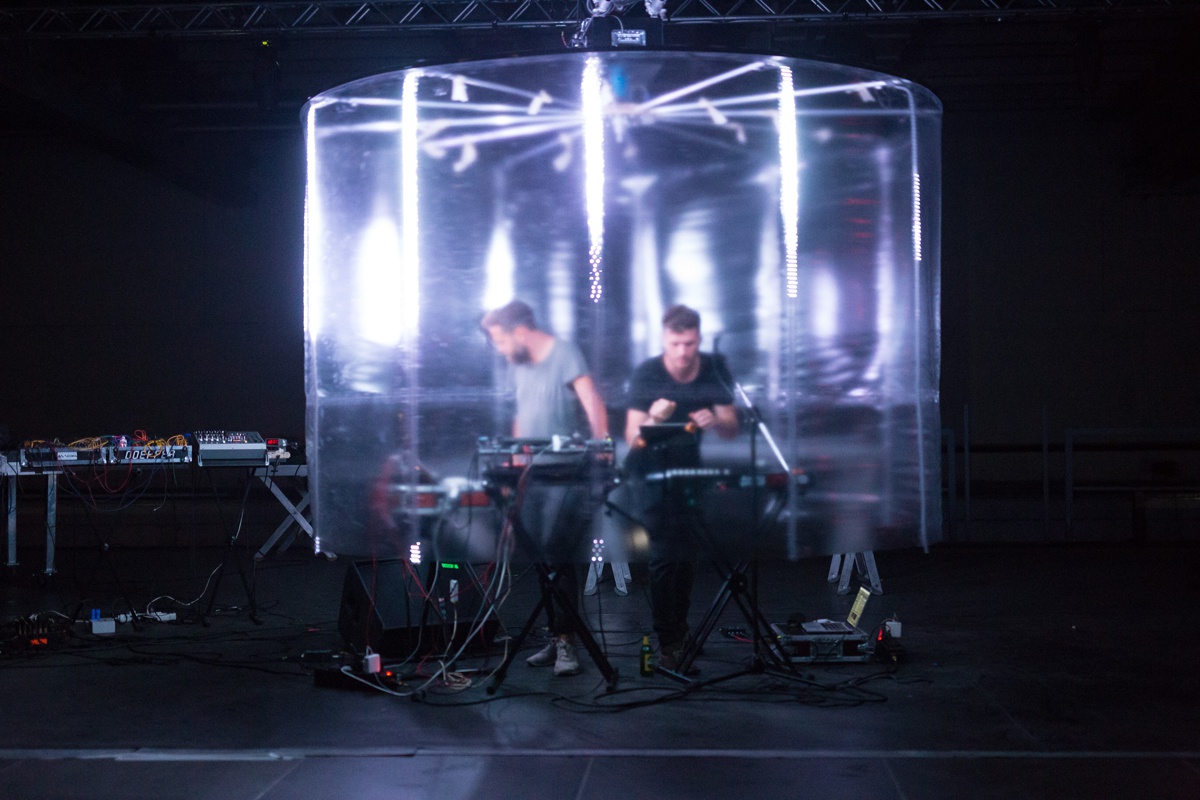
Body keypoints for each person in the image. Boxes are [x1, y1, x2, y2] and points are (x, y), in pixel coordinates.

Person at [481, 300, 608, 677]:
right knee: (539, 554)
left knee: (558, 554)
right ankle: (555, 636)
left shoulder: (564, 354)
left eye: (501, 340)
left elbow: (592, 402)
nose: (499, 349)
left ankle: (568, 641)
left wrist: (602, 450)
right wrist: (516, 458)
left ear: (520, 332)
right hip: (531, 474)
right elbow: (522, 414)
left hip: (564, 474)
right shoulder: (518, 364)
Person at [624, 304, 738, 672]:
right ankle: (668, 642)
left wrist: (715, 418)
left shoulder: (713, 368)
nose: (683, 352)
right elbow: (632, 439)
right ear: (663, 340)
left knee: (687, 555)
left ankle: (680, 631)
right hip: (650, 474)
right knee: (663, 557)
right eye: (675, 344)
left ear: (699, 339)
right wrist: (654, 419)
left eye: (689, 343)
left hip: (689, 473)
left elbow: (731, 428)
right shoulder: (648, 373)